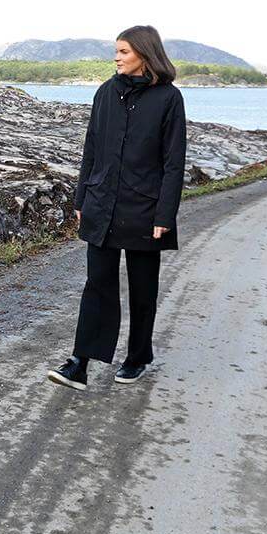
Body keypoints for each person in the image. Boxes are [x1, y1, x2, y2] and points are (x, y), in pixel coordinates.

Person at [47, 25, 187, 389]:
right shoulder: (106, 92)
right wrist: (81, 198)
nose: (117, 57)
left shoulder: (169, 98)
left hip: (144, 208)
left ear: (144, 53)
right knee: (98, 284)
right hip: (102, 203)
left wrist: (164, 214)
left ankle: (138, 356)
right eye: (117, 51)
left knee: (143, 289)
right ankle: (80, 361)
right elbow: (91, 148)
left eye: (123, 51)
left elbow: (174, 163)